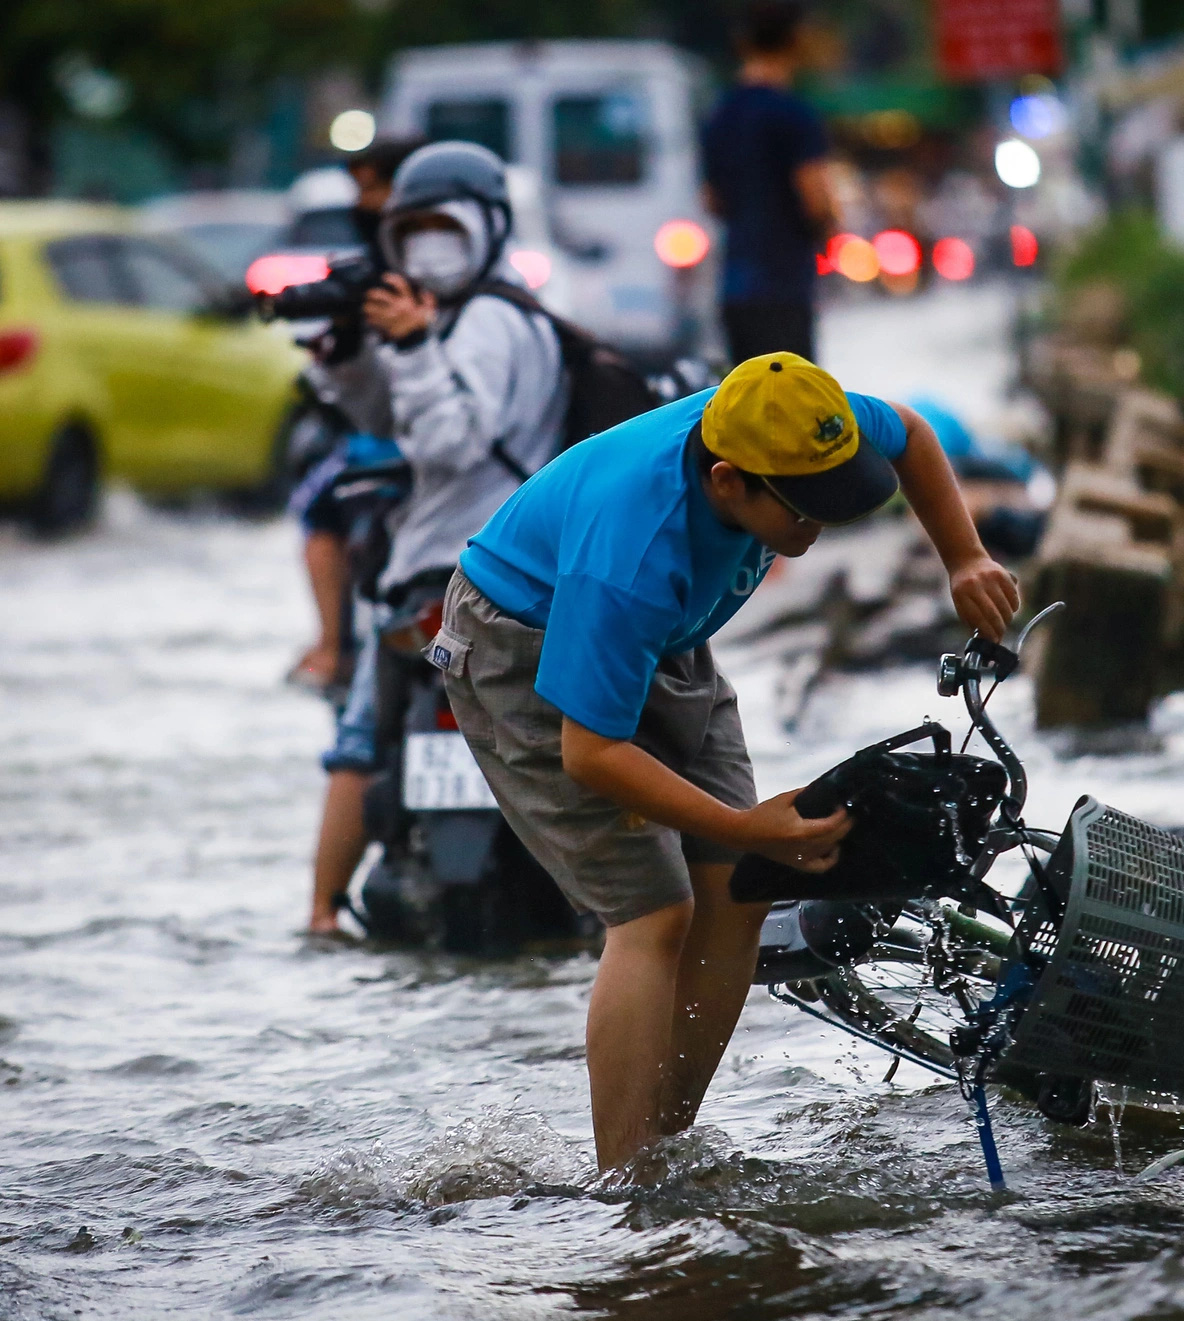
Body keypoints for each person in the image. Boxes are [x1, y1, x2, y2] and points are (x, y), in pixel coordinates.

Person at [432, 353, 1019, 1166]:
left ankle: (668, 1137)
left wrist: (965, 557)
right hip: (523, 641)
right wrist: (745, 822)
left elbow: (911, 432)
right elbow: (592, 753)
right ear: (728, 482)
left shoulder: (794, 416)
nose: (818, 525)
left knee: (741, 885)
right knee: (652, 913)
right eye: (803, 508)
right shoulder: (632, 555)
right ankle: (625, 1183)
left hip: (666, 637)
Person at [306, 140, 569, 934]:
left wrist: (415, 348)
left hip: (468, 572)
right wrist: (355, 353)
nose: (427, 247)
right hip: (466, 574)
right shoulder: (451, 315)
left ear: (487, 228)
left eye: (443, 229)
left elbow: (450, 442)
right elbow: (386, 419)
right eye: (409, 230)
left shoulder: (490, 319)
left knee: (358, 739)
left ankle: (319, 915)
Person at [287, 137, 426, 696]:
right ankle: (334, 643)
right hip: (386, 438)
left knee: (319, 505)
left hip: (433, 452)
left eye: (375, 189)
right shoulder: (369, 266)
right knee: (317, 504)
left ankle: (331, 648)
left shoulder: (450, 280)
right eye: (361, 191)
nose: (366, 205)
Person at [700, 0, 839, 364]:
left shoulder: (720, 115)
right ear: (797, 40)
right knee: (794, 405)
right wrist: (827, 229)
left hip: (735, 288)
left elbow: (712, 200)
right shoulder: (795, 115)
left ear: (744, 42)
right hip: (784, 286)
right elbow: (817, 200)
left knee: (747, 403)